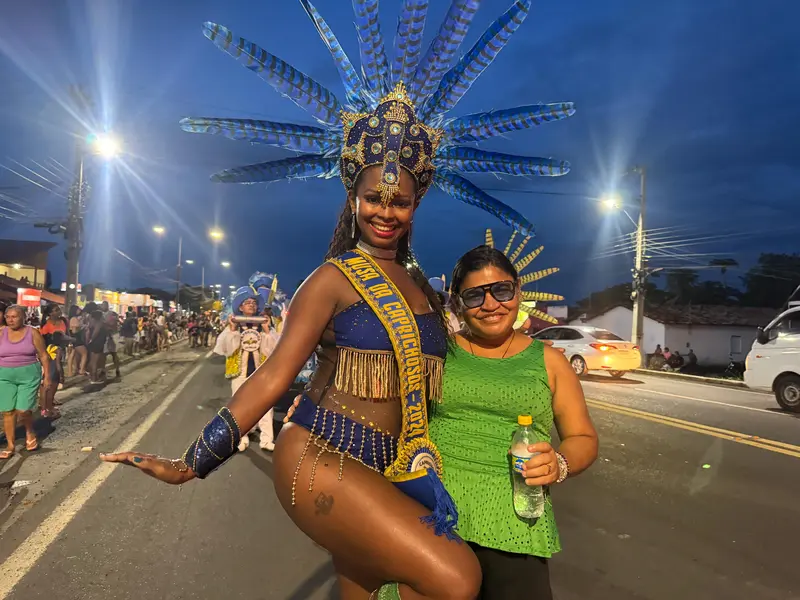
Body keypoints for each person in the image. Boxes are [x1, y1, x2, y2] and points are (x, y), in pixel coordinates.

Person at [101, 1, 574, 596]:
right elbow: (274, 377)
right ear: (353, 196)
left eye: (398, 201)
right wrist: (192, 462)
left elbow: (459, 359)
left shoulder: (424, 289)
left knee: (369, 588)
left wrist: (524, 360)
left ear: (415, 206)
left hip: (387, 471)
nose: (385, 211)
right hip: (320, 454)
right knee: (455, 577)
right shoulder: (331, 280)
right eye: (374, 197)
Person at [430, 246, 598, 599]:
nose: (491, 305)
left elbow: (582, 437)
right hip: (434, 515)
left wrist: (560, 463)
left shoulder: (551, 362)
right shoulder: (437, 351)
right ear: (458, 303)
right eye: (475, 295)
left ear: (518, 291)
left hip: (516, 519)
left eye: (501, 291)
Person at [213, 284, 279, 451]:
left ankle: (266, 439)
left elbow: (272, 351)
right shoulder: (233, 325)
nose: (251, 304)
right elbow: (226, 350)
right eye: (247, 302)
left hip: (260, 373)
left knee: (265, 405)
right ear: (240, 307)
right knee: (240, 407)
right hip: (239, 373)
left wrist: (266, 331)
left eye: (253, 302)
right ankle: (241, 437)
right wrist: (233, 330)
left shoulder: (264, 325)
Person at [1, 305, 51, 458]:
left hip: (28, 374)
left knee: (23, 409)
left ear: (23, 317)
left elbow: (43, 355)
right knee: (8, 411)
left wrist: (47, 376)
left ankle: (30, 431)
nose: (11, 319)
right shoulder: (1, 332)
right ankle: (10, 445)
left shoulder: (32, 332)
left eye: (14, 316)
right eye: (8, 316)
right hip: (4, 375)